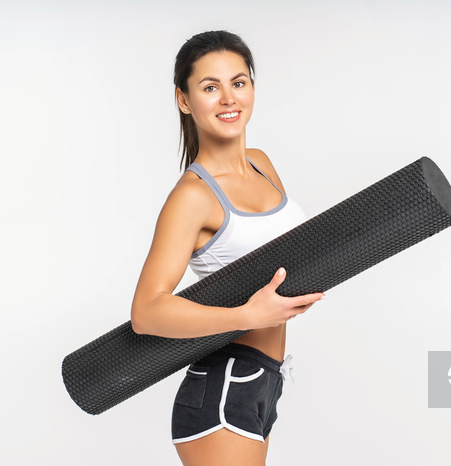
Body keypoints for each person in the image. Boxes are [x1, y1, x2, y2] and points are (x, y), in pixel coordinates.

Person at [130, 30, 325, 466]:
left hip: (265, 379)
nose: (228, 99)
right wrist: (246, 316)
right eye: (210, 87)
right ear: (184, 100)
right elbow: (146, 313)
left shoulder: (261, 162)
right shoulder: (193, 196)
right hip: (223, 385)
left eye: (238, 83)